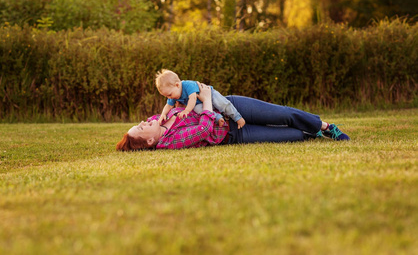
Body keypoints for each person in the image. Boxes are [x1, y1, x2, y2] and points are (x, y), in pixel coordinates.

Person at [116, 83, 350, 151]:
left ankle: (327, 126)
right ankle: (313, 132)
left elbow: (180, 97)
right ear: (149, 142)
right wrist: (205, 100)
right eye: (140, 128)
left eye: (139, 123)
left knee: (284, 114)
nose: (143, 122)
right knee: (290, 135)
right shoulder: (169, 142)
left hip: (231, 107)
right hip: (234, 134)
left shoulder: (159, 118)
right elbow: (203, 130)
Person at [155, 69, 246, 129]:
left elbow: (193, 98)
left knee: (221, 103)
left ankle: (237, 117)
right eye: (167, 96)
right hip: (200, 104)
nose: (169, 98)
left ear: (177, 85)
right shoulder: (174, 94)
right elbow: (168, 105)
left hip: (210, 94)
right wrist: (163, 114)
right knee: (199, 110)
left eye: (169, 95)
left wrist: (186, 110)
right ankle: (218, 118)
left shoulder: (187, 85)